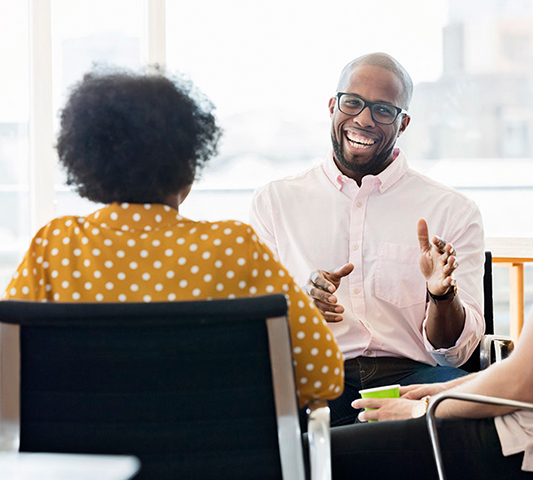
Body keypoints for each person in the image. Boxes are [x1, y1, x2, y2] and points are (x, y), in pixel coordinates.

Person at [327, 37, 533, 480]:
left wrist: (422, 409)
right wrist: (432, 392)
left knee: (317, 456)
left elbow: (523, 380)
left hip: (527, 442)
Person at [1, 68, 344, 408]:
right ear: (188, 165)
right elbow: (324, 374)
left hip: (83, 461)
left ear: (89, 163)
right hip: (215, 460)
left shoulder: (56, 246)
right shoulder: (233, 247)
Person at [250, 52, 486, 426]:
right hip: (317, 376)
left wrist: (442, 295)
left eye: (382, 110)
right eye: (353, 103)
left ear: (403, 122)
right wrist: (301, 304)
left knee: (461, 411)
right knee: (257, 416)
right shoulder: (275, 202)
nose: (363, 119)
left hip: (412, 378)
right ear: (333, 106)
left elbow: (456, 355)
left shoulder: (453, 210)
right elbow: (259, 325)